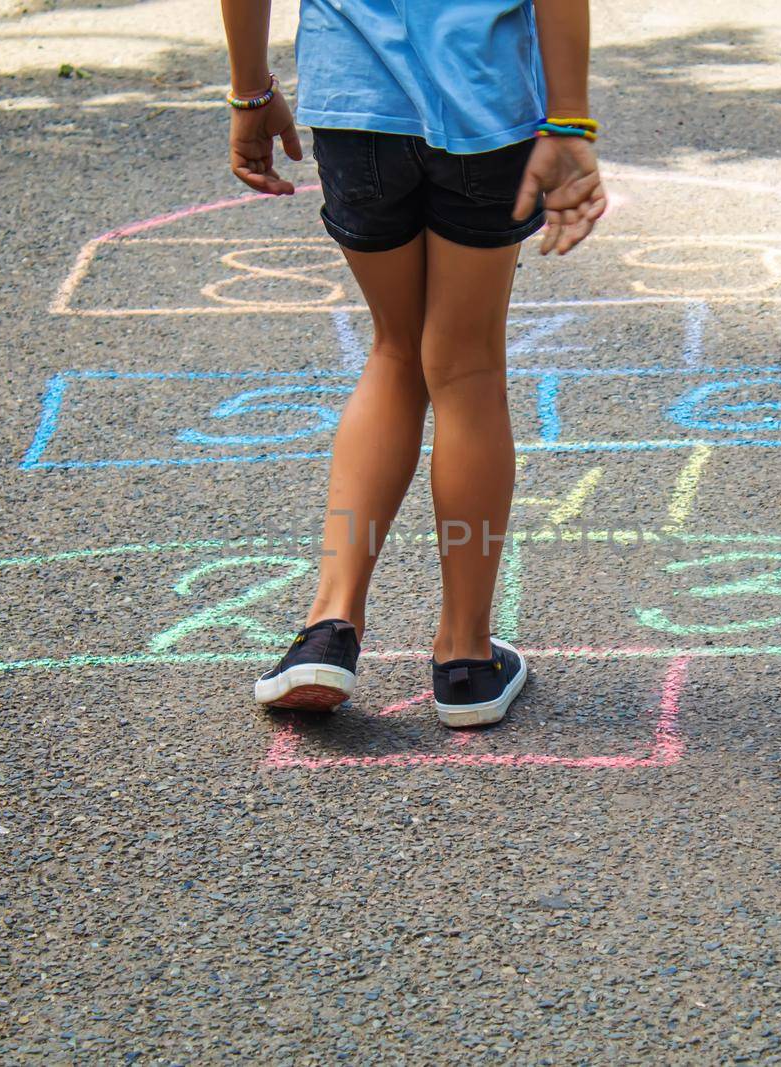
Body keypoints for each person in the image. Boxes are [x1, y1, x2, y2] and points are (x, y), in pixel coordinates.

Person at [222, 0, 606, 727]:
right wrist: (569, 123)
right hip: (482, 104)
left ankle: (328, 628)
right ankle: (464, 657)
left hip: (356, 105)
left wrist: (251, 92)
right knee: (465, 372)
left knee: (396, 349)